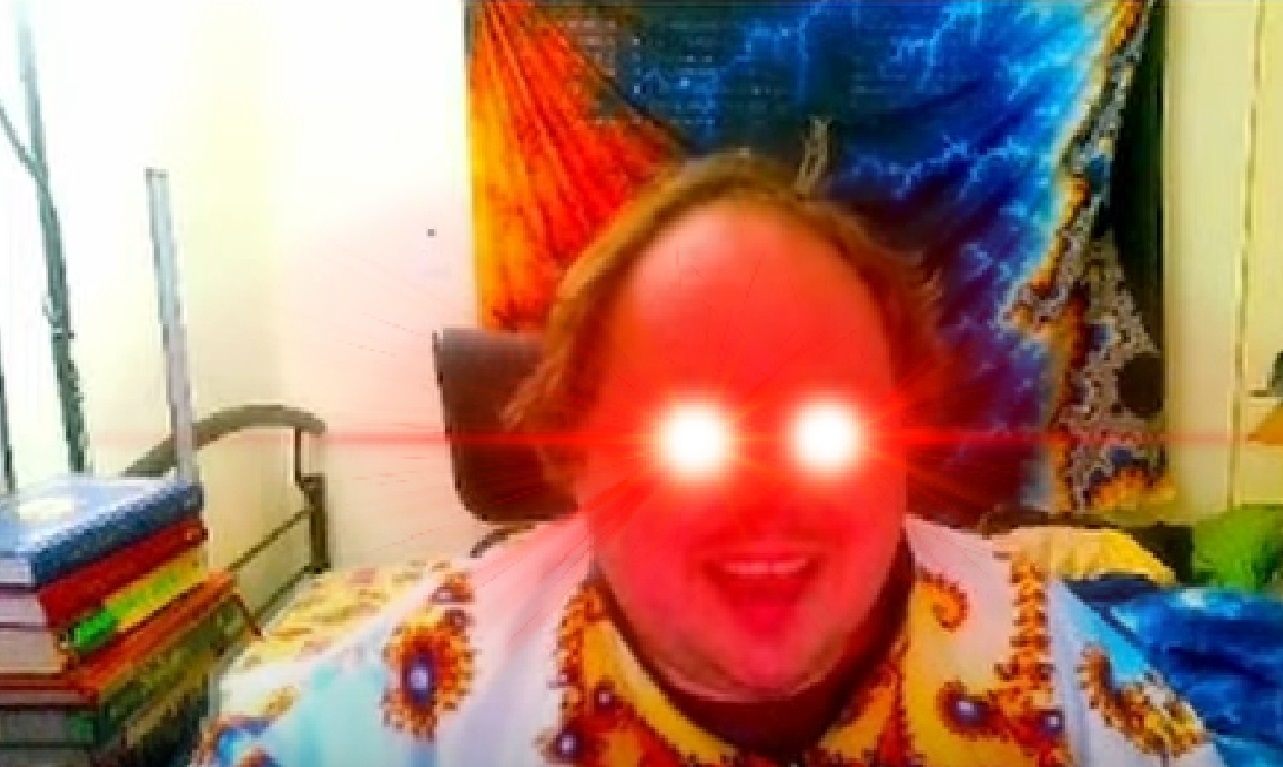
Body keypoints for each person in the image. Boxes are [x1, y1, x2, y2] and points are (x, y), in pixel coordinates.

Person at [194, 153, 1271, 767]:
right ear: (576, 456)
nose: (765, 497)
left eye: (825, 427)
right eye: (689, 434)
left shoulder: (1055, 671)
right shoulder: (403, 711)